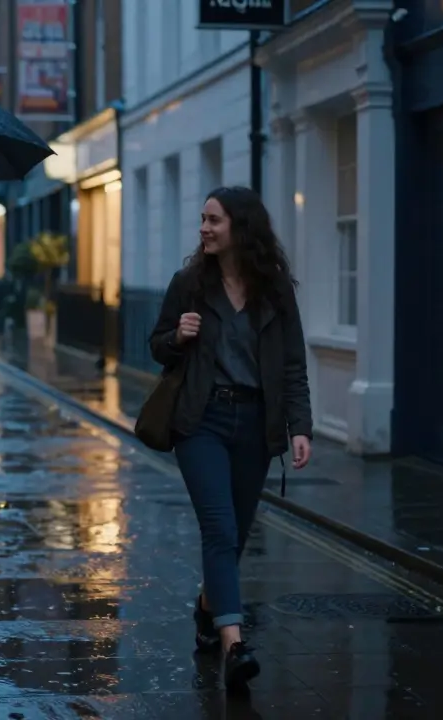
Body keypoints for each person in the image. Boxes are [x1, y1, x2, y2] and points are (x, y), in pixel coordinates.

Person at [148, 186, 313, 690]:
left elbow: (292, 364)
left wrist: (300, 426)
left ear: (241, 227)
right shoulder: (190, 284)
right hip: (203, 421)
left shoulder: (275, 290)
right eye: (202, 219)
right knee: (219, 529)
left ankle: (207, 606)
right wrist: (178, 336)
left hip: (256, 424)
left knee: (237, 534)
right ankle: (234, 644)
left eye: (213, 220)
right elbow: (156, 347)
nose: (203, 228)